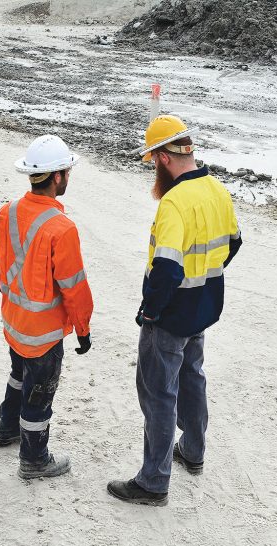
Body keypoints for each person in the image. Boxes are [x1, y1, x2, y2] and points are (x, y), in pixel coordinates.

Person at [107, 115, 242, 506]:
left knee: (158, 394)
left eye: (152, 161)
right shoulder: (216, 189)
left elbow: (165, 268)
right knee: (192, 378)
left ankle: (153, 482)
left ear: (164, 159)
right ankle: (193, 452)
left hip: (170, 315)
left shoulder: (174, 202)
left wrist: (150, 311)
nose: (153, 169)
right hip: (203, 306)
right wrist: (206, 275)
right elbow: (234, 241)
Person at [0, 134, 93, 480]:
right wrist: (83, 329)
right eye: (67, 171)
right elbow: (74, 288)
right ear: (58, 176)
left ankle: (6, 429)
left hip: (14, 324)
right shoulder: (62, 229)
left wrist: (15, 303)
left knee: (18, 377)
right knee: (39, 393)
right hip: (44, 334)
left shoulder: (6, 213)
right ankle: (34, 459)